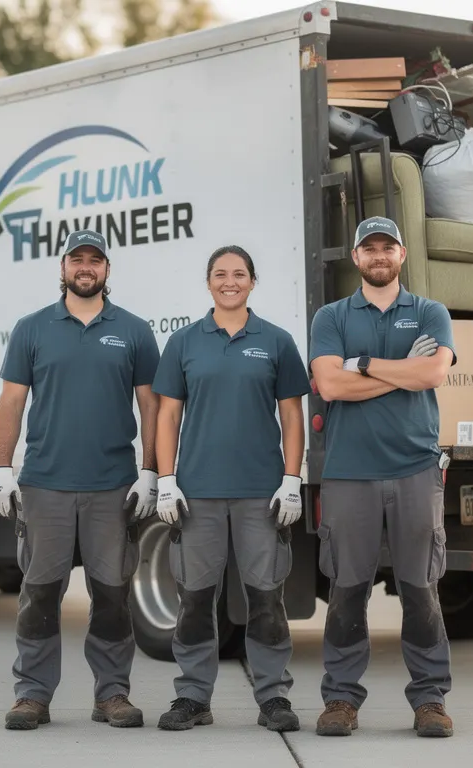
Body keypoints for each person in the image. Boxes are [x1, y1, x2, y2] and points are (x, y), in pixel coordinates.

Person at [0, 229, 161, 731]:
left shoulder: (133, 330)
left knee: (111, 594)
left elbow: (150, 405)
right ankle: (32, 696)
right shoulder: (33, 329)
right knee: (40, 594)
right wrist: (3, 469)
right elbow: (11, 402)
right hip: (45, 483)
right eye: (77, 259)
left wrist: (150, 470)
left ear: (107, 270)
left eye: (95, 260)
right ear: (62, 267)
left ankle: (112, 695)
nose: (85, 267)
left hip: (112, 484)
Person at [307, 216, 458, 739]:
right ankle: (341, 700)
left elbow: (433, 374)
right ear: (355, 257)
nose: (378, 256)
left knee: (421, 587)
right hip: (349, 474)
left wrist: (366, 364)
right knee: (348, 589)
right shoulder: (330, 316)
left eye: (386, 247)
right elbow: (329, 384)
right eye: (368, 248)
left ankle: (430, 699)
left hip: (416, 468)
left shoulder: (430, 312)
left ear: (401, 255)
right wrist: (399, 373)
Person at [150, 245, 310, 733]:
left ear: (252, 282)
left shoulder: (277, 341)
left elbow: (291, 415)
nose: (229, 281)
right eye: (220, 274)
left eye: (239, 273)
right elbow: (168, 414)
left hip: (260, 494)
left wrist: (291, 480)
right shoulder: (184, 343)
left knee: (266, 598)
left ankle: (273, 699)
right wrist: (165, 479)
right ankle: (194, 697)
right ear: (208, 283)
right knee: (196, 598)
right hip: (197, 493)